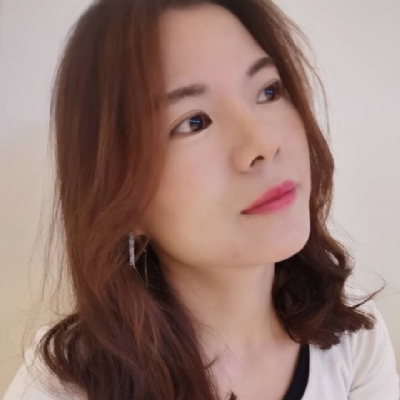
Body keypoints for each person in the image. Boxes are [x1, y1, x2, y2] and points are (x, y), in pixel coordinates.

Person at [3, 0, 399, 399]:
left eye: (268, 91)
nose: (263, 143)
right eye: (194, 122)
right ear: (118, 193)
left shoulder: (353, 339)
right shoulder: (62, 389)